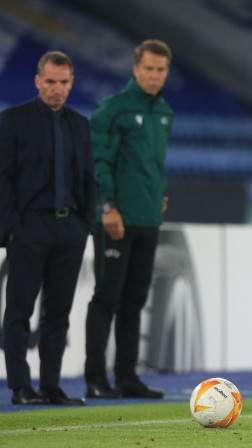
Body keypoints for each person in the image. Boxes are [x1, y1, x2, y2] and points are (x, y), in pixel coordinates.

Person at [0, 51, 96, 405]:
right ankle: (20, 386)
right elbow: (2, 178)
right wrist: (11, 228)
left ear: (71, 83)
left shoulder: (80, 123)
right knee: (20, 310)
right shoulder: (12, 121)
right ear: (38, 81)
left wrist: (84, 224)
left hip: (69, 229)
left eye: (64, 82)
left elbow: (87, 177)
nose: (57, 89)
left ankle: (51, 385)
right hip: (29, 228)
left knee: (58, 313)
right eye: (51, 81)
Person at [83, 39, 173, 399]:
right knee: (106, 297)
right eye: (148, 69)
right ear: (135, 69)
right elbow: (98, 161)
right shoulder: (112, 109)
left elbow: (153, 163)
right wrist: (107, 207)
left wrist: (158, 195)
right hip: (115, 219)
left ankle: (125, 377)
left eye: (161, 70)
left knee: (135, 299)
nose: (154, 76)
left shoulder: (164, 111)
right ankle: (94, 377)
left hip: (148, 218)